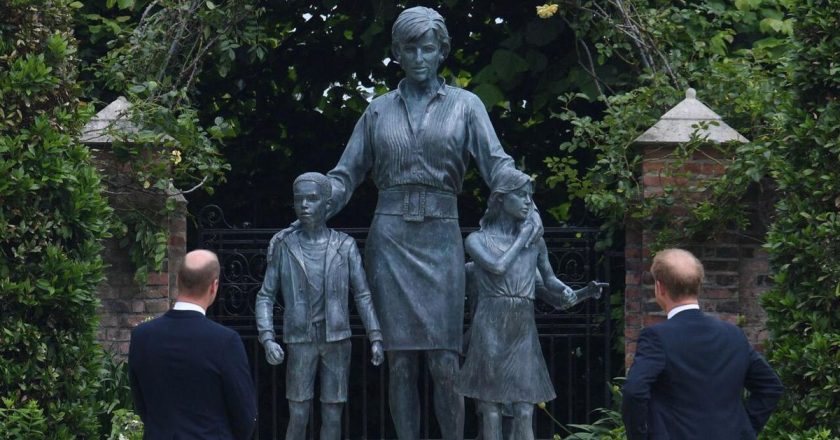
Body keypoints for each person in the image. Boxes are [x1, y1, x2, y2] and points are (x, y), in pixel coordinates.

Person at [269, 7, 540, 439]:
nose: (418, 57)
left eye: (427, 48)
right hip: (391, 239)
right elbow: (346, 176)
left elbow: (497, 165)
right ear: (396, 52)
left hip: (441, 237)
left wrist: (524, 196)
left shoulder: (466, 106)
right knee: (400, 361)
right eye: (409, 48)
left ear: (442, 51)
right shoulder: (377, 112)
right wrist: (318, 206)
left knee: (445, 360)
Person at [456, 169, 605, 440]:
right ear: (500, 199)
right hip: (490, 326)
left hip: (522, 330)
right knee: (491, 409)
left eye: (530, 197)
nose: (528, 202)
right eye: (521, 195)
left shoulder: (536, 244)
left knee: (525, 409)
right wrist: (523, 238)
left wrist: (579, 292)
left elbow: (550, 282)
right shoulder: (477, 240)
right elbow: (498, 267)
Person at [255, 172, 384, 440]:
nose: (304, 205)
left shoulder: (345, 246)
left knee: (332, 414)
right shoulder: (284, 246)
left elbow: (362, 294)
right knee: (299, 413)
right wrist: (267, 338)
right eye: (299, 199)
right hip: (301, 338)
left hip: (337, 339)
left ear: (327, 204)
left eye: (311, 199)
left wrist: (375, 336)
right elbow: (265, 296)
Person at [622, 248, 783, 440]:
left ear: (660, 287)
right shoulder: (733, 335)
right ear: (698, 285)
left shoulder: (657, 337)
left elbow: (634, 392)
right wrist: (744, 429)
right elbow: (770, 387)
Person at [128, 249, 257, 440]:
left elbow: (141, 403)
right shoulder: (225, 341)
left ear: (178, 281)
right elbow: (245, 415)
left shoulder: (142, 336)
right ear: (214, 286)